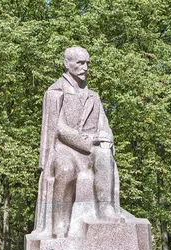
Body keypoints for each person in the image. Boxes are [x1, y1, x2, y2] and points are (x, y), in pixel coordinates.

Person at [33, 47, 123, 238]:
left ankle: (105, 208)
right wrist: (91, 140)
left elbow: (104, 126)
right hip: (64, 149)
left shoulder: (93, 96)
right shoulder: (56, 92)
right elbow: (58, 129)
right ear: (67, 64)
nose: (85, 67)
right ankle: (60, 223)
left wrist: (106, 137)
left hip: (91, 151)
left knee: (105, 156)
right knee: (66, 171)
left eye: (87, 63)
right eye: (80, 63)